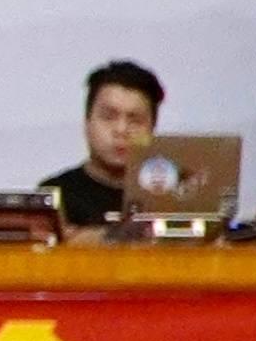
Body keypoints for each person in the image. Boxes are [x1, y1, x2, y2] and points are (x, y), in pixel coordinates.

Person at [40, 60, 166, 231]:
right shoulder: (55, 195)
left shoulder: (170, 198)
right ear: (87, 123)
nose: (121, 130)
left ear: (152, 129)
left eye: (135, 120)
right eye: (108, 117)